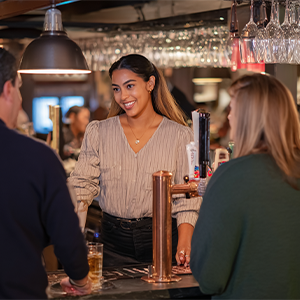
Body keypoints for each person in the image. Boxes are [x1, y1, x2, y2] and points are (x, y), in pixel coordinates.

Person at [69, 54, 201, 267]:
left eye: (130, 86)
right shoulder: (99, 131)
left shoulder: (180, 135)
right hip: (112, 242)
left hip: (163, 241)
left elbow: (187, 198)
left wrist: (185, 243)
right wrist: (73, 242)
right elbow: (82, 189)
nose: (122, 96)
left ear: (150, 83)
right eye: (116, 89)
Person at [190, 73, 300, 300]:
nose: (229, 117)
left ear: (249, 119)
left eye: (233, 109)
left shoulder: (231, 177)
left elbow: (209, 277)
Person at [0, 47, 91, 299]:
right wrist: (80, 279)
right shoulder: (37, 156)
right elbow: (67, 236)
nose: (19, 98)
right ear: (8, 89)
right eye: (19, 87)